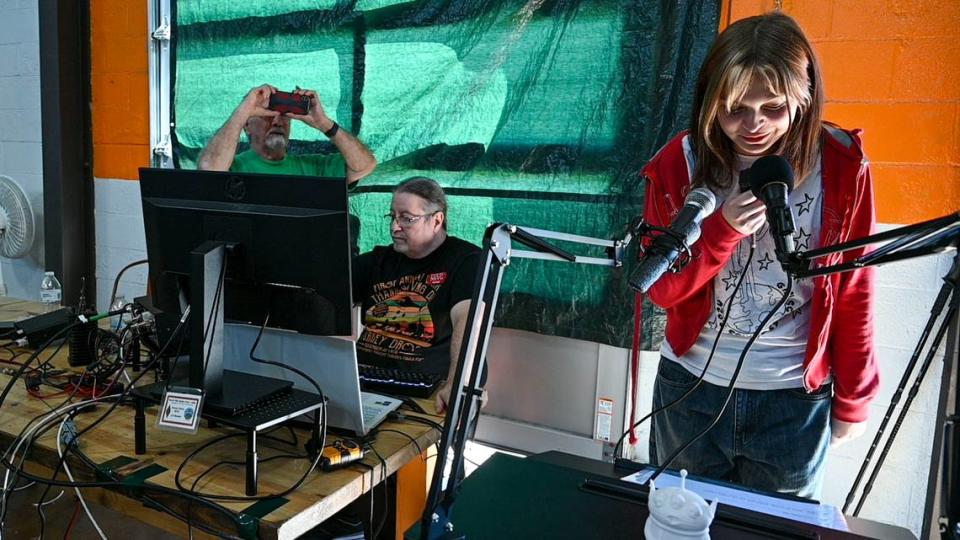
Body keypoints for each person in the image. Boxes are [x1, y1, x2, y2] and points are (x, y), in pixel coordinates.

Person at [641, 12, 877, 499]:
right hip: (691, 390)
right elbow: (661, 289)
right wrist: (719, 233)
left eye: (772, 107)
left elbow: (854, 289)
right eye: (734, 109)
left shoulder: (842, 165)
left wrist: (854, 397)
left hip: (792, 400)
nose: (753, 126)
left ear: (803, 96)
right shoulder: (678, 162)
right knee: (677, 523)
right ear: (710, 102)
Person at [351, 177, 481, 413]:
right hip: (364, 384)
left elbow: (470, 320)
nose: (394, 227)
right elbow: (330, 293)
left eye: (406, 219)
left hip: (428, 391)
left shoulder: (465, 260)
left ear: (437, 220)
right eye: (392, 216)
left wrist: (457, 383)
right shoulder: (379, 260)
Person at [197, 84, 376, 184]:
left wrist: (324, 123)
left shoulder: (314, 168)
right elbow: (208, 170)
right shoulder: (234, 167)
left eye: (284, 115)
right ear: (246, 126)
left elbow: (365, 165)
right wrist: (243, 111)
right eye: (267, 115)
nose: (277, 121)